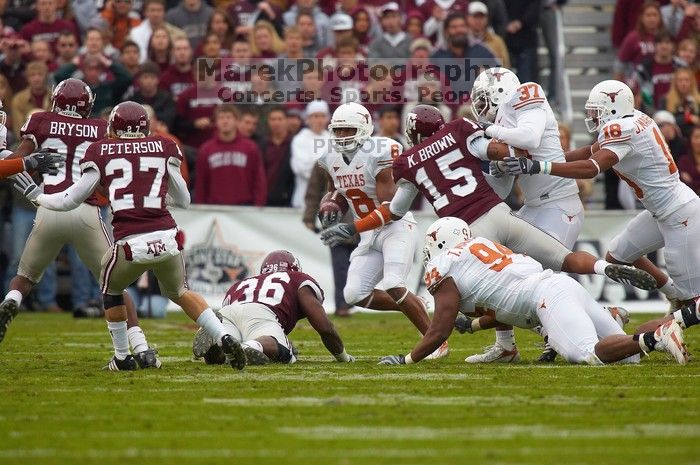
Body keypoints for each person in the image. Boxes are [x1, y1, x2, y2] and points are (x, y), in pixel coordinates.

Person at [321, 104, 658, 362]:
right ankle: (603, 268)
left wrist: (354, 226)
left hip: (468, 230)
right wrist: (520, 156)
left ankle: (509, 345)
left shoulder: (407, 160)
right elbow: (496, 151)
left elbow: (395, 209)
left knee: (479, 297)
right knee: (563, 258)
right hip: (499, 210)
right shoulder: (458, 129)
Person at [16, 101, 247, 371]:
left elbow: (70, 199)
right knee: (181, 291)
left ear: (113, 125)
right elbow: (184, 199)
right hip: (167, 237)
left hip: (131, 242)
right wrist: (156, 199)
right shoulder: (164, 146)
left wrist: (37, 196)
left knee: (110, 289)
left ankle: (122, 356)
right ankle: (223, 335)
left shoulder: (100, 150)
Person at [501, 79, 700, 313]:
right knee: (617, 255)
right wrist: (543, 160)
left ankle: (664, 329)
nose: (594, 117)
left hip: (679, 214)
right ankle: (673, 295)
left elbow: (592, 167)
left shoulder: (622, 129)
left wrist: (540, 167)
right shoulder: (633, 119)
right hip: (662, 210)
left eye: (598, 112)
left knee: (693, 303)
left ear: (614, 108)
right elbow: (589, 151)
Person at [377, 217, 689, 366]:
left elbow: (440, 328)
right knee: (627, 358)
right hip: (561, 286)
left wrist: (406, 359)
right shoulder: (482, 248)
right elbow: (500, 302)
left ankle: (656, 338)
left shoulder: (444, 262)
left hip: (546, 298)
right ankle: (675, 321)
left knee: (588, 355)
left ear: (438, 244)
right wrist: (473, 325)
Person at [0, 81, 161, 369]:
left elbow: (16, 160)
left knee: (23, 277)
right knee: (115, 283)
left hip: (48, 207)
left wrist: (9, 158)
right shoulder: (100, 128)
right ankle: (141, 346)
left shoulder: (40, 120)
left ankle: (12, 300)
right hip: (86, 210)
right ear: (87, 103)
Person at [316, 102, 447, 358]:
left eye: (348, 130)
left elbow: (389, 209)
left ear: (364, 128)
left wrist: (353, 226)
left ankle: (436, 342)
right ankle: (412, 304)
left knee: (394, 284)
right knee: (354, 294)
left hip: (396, 228)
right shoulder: (329, 157)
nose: (342, 136)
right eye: (339, 131)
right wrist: (329, 205)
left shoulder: (381, 151)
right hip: (368, 233)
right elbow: (337, 192)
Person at [472, 67, 584, 362]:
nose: (481, 107)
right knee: (500, 271)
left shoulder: (526, 93)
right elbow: (500, 188)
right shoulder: (504, 119)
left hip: (559, 204)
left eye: (484, 99)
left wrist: (488, 133)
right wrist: (496, 169)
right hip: (534, 206)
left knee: (545, 280)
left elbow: (530, 138)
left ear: (500, 90)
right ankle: (505, 346)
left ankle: (590, 324)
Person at [192, 250, 354, 365]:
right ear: (294, 268)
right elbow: (324, 327)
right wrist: (343, 356)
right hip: (262, 313)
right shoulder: (298, 279)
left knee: (228, 352)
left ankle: (216, 342)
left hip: (228, 311)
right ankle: (250, 346)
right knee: (284, 351)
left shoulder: (241, 284)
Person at [195, 105, 266, 206]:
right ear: (216, 122)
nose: (225, 121)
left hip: (244, 206)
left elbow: (258, 180)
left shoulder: (250, 148)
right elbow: (201, 182)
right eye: (221, 118)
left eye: (228, 117)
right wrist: (200, 206)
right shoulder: (206, 149)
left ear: (237, 121)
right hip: (215, 207)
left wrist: (259, 205)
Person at [290, 100, 330, 208]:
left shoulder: (332, 138)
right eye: (315, 116)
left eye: (322, 116)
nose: (319, 120)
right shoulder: (300, 139)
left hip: (328, 200)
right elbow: (302, 168)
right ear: (308, 119)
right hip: (303, 199)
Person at [614, 1, 664, 81]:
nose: (652, 19)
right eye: (648, 15)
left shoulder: (665, 37)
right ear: (641, 17)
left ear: (660, 17)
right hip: (637, 82)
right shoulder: (632, 38)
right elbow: (620, 65)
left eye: (655, 15)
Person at [260, 106, 294, 207]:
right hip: (265, 198)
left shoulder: (295, 143)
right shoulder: (262, 145)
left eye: (280, 119)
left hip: (288, 199)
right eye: (273, 119)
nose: (276, 123)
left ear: (286, 121)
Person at [131, 62, 176, 131]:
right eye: (145, 77)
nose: (149, 81)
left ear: (158, 80)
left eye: (152, 77)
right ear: (139, 80)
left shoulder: (166, 99)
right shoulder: (133, 101)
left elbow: (169, 120)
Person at [467, 1, 510, 69]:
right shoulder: (463, 40)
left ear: (487, 18)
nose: (478, 20)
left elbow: (505, 66)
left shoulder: (497, 41)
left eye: (481, 17)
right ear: (467, 18)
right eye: (475, 17)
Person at [678, 125, 700, 194]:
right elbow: (683, 186)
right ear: (690, 139)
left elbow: (689, 182)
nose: (699, 141)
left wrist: (692, 181)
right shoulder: (684, 161)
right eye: (696, 137)